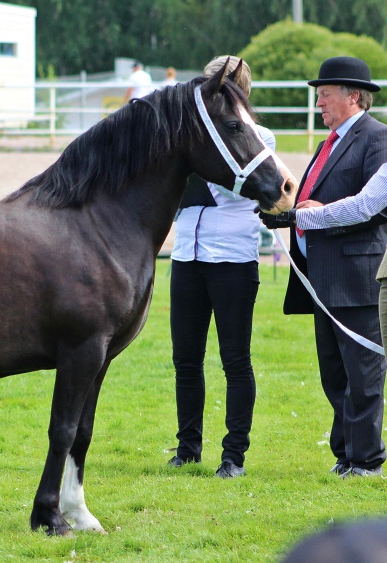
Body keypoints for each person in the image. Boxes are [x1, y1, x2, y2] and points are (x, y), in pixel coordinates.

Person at [260, 56, 387, 478]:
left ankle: (366, 460)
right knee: (334, 374)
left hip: (357, 277)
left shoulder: (377, 139)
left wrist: (306, 216)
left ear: (354, 96)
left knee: (362, 375)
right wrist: (287, 215)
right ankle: (345, 454)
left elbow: (372, 209)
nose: (319, 104)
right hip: (324, 278)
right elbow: (310, 199)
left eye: (325, 95)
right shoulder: (329, 142)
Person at [168, 56, 275, 479]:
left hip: (232, 256)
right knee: (185, 359)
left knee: (235, 360)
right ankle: (187, 448)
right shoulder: (192, 138)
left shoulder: (258, 137)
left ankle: (234, 456)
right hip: (186, 254)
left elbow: (239, 188)